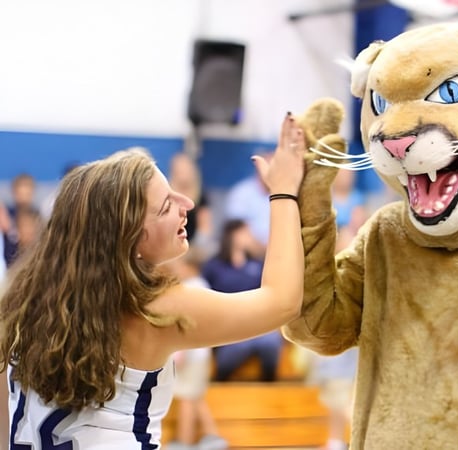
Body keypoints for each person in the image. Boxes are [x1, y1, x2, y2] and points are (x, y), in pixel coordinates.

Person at [0, 113, 307, 448]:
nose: (187, 204)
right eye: (166, 206)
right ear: (129, 238)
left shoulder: (22, 305)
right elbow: (282, 302)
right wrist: (284, 191)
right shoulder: (153, 311)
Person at [202, 219, 284, 382]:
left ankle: (270, 384)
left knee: (271, 341)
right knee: (237, 347)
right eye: (245, 232)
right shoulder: (213, 266)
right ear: (233, 235)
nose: (250, 236)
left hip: (257, 326)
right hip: (226, 328)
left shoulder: (257, 264)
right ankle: (220, 381)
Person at [164, 249, 226, 450]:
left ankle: (184, 441)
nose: (176, 271)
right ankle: (212, 435)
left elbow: (187, 324)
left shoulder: (190, 289)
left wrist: (179, 352)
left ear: (190, 267)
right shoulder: (201, 286)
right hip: (199, 354)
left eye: (179, 266)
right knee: (195, 396)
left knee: (187, 397)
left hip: (191, 354)